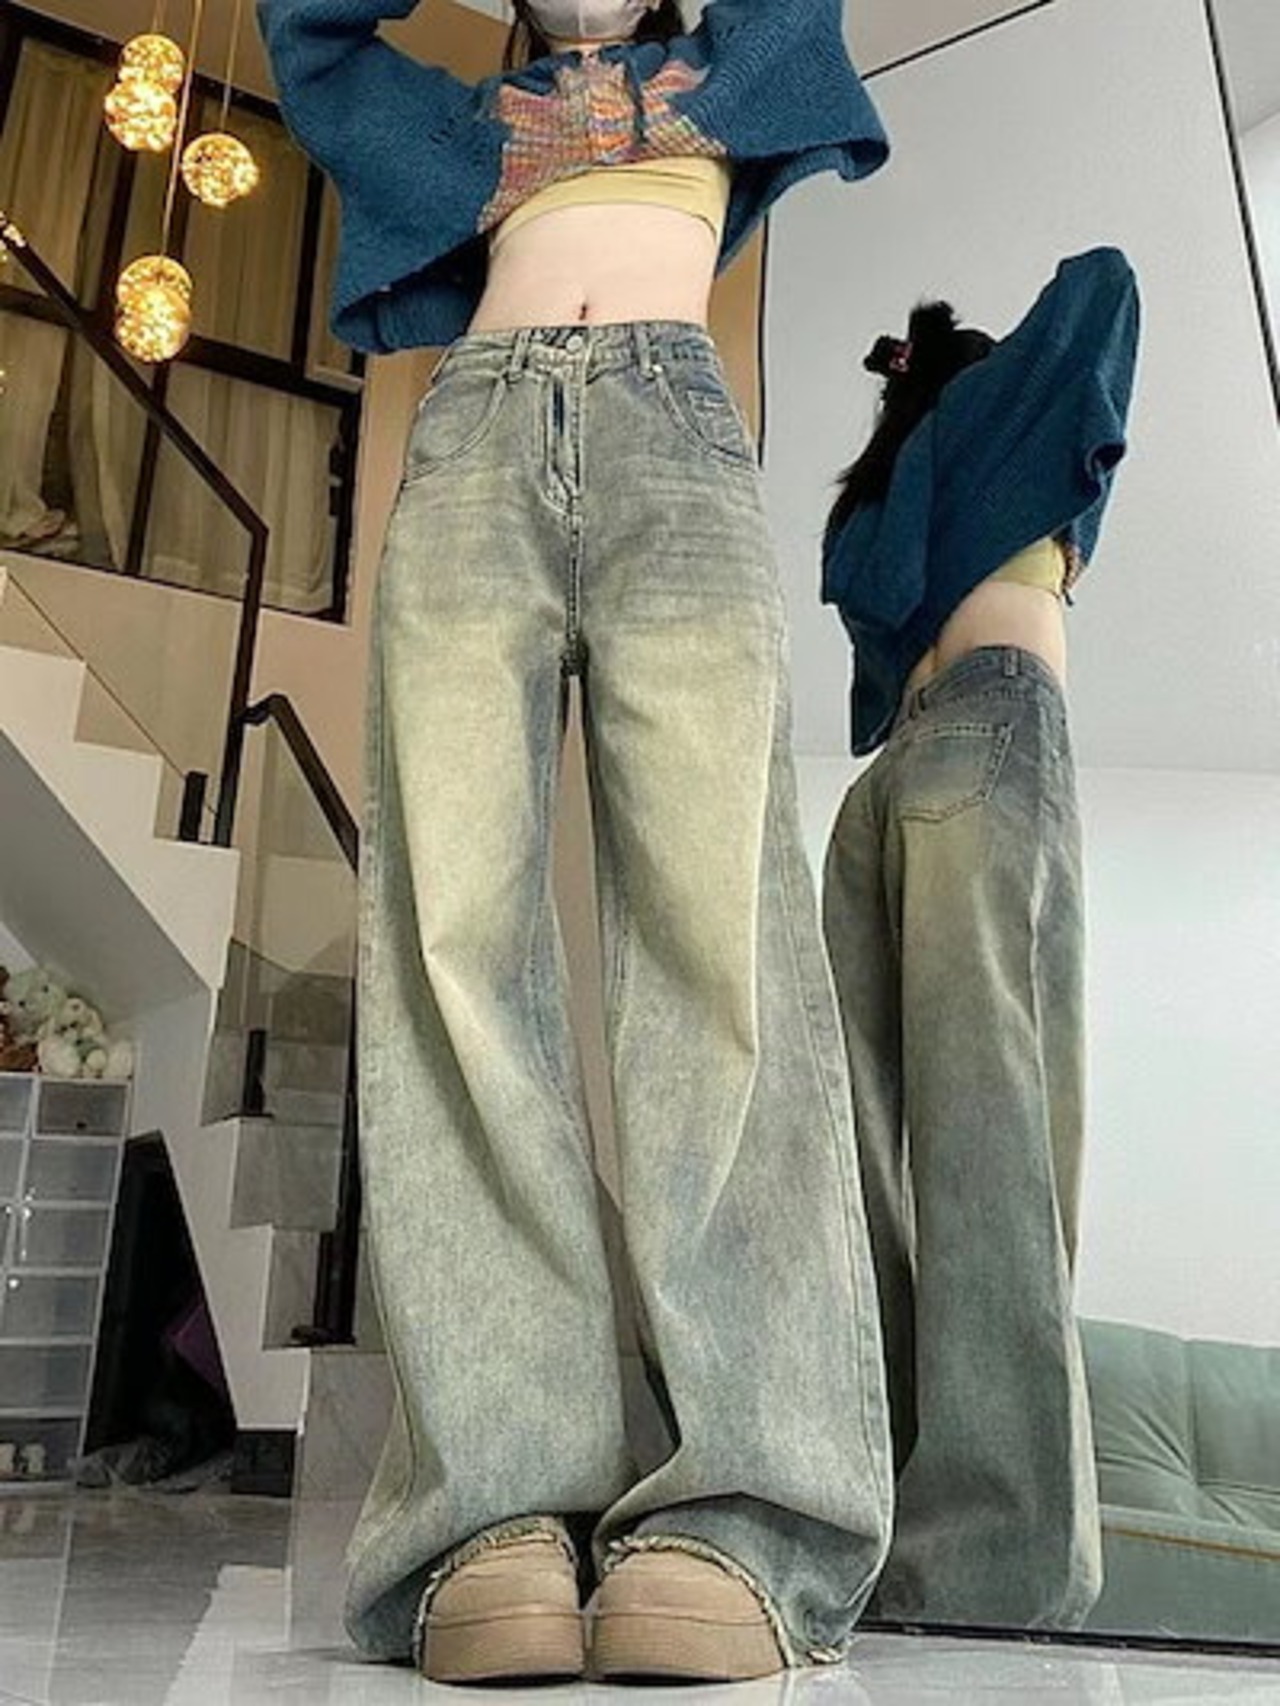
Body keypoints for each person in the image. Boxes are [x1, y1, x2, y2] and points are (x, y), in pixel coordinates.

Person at [258, 0, 894, 1683]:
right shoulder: (458, 127)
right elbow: (306, 35)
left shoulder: (736, 73)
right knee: (455, 952)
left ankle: (750, 1506)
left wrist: (664, 64)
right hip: (473, 445)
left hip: (678, 441)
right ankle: (496, 1508)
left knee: (717, 947)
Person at [820, 247, 1140, 1630]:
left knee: (890, 1149)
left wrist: (939, 411)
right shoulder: (1004, 445)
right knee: (956, 1142)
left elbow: (1107, 283)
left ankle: (937, 1530)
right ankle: (961, 1538)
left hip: (922, 758)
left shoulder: (922, 477)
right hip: (959, 750)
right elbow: (1106, 289)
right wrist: (968, 403)